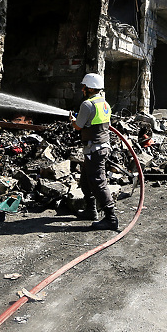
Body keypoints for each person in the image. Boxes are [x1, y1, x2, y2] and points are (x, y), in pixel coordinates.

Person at [69, 72, 118, 231]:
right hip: (100, 147)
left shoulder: (87, 104)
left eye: (84, 86)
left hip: (94, 149)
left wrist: (72, 121)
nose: (82, 89)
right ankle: (91, 210)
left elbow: (78, 126)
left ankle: (111, 218)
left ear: (89, 88)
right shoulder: (104, 104)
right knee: (85, 179)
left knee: (98, 181)